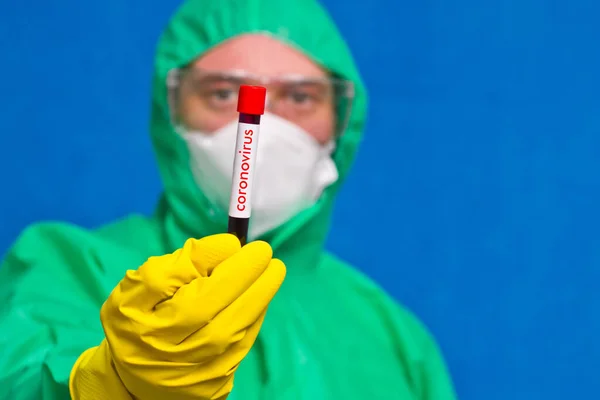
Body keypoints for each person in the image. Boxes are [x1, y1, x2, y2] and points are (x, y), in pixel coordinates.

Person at [0, 0, 457, 398]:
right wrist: (117, 384)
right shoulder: (71, 269)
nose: (263, 126)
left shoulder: (392, 336)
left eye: (300, 97)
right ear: (171, 113)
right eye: (222, 94)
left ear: (342, 122)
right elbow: (24, 378)